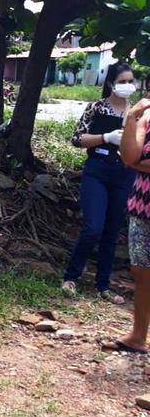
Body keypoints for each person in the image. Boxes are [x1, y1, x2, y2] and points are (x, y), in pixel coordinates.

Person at [61, 62, 136, 304]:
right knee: (93, 227)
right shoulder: (97, 108)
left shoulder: (137, 112)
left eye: (130, 81)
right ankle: (71, 276)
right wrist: (105, 137)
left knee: (112, 231)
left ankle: (103, 284)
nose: (127, 86)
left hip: (125, 173)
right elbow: (76, 138)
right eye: (122, 82)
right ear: (111, 83)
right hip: (97, 170)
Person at [102, 96, 150, 354]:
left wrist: (140, 163)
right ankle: (138, 335)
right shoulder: (146, 118)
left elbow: (136, 161)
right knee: (141, 273)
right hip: (143, 207)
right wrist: (131, 117)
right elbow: (129, 157)